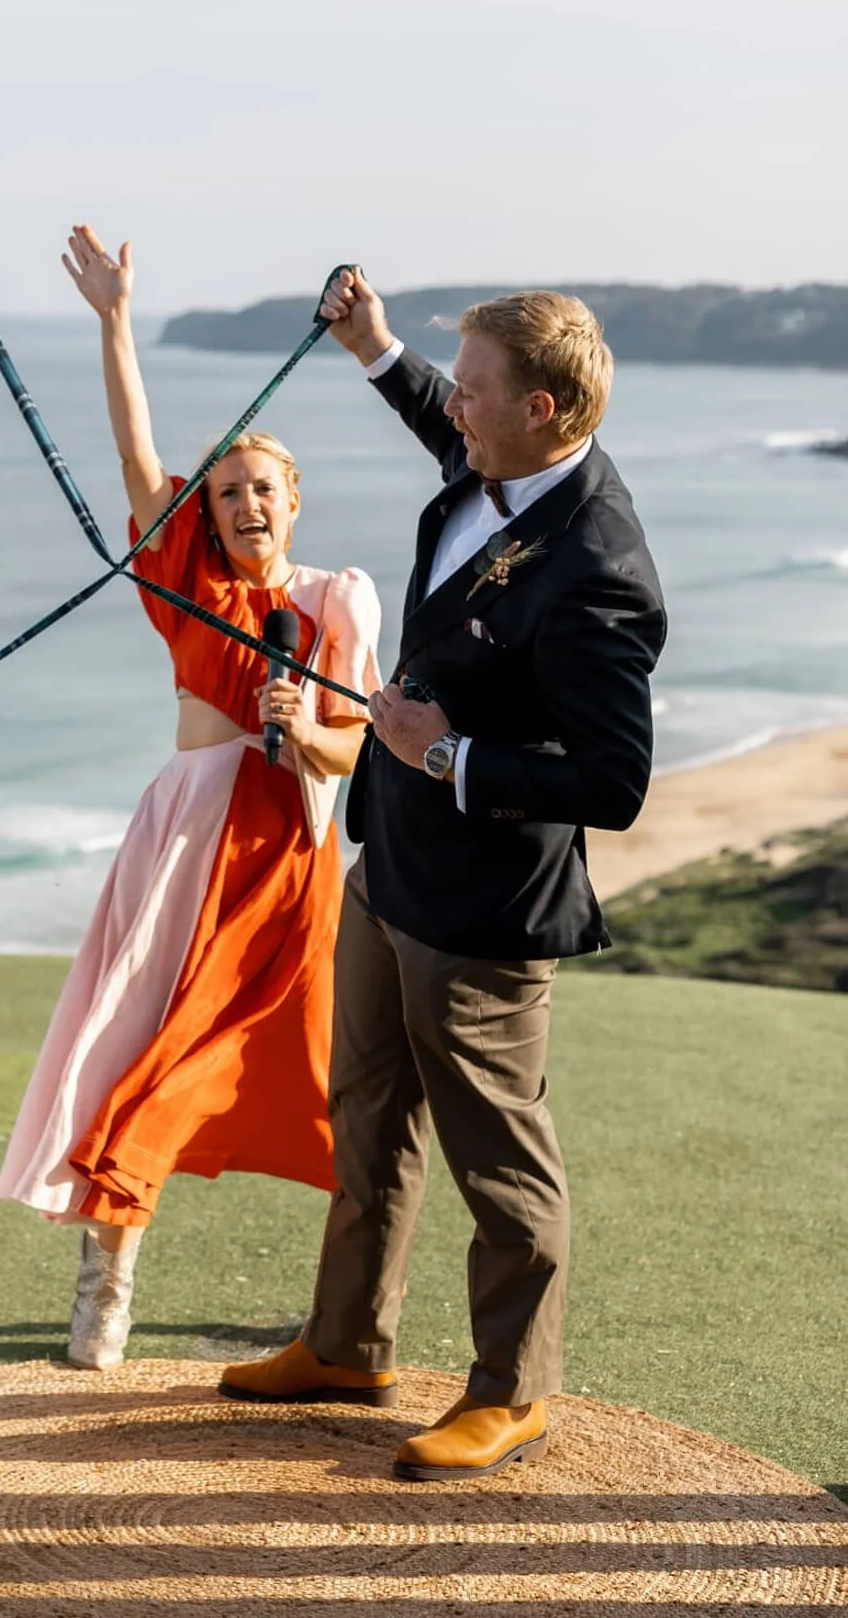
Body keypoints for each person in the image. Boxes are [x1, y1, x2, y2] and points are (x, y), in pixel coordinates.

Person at [220, 270, 666, 1481]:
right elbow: (444, 416)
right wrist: (375, 348)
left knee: (498, 1156)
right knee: (365, 1112)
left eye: (474, 390)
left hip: (484, 907)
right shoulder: (505, 458)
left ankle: (512, 1391)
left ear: (544, 406)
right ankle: (348, 1342)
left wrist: (450, 753)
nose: (451, 406)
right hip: (390, 865)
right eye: (454, 386)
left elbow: (615, 780)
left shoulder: (599, 566)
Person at [0, 227, 382, 1368]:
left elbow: (355, 748)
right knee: (151, 1053)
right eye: (224, 494)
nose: (242, 504)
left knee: (316, 1073)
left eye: (260, 487)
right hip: (189, 844)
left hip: (291, 859)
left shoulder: (338, 602)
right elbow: (132, 458)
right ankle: (106, 1276)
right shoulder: (189, 585)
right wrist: (115, 319)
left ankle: (340, 1309)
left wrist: (302, 726)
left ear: (294, 498)